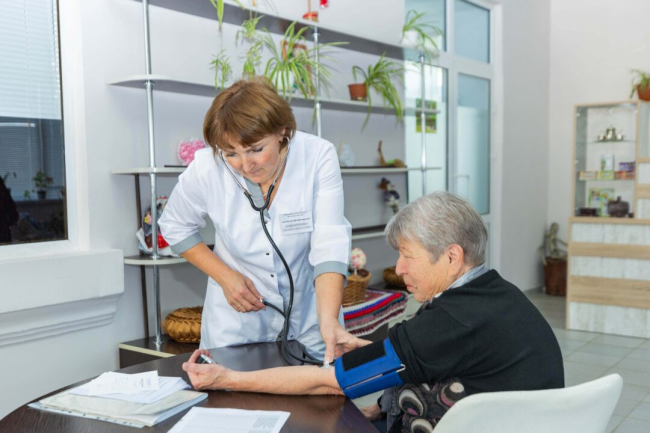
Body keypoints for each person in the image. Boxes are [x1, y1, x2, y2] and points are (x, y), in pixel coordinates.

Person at [181, 191, 564, 432]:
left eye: (408, 256)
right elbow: (441, 353)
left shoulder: (450, 320)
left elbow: (329, 382)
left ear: (451, 257)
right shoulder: (495, 292)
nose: (399, 268)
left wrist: (227, 377)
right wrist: (365, 349)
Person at [159, 76, 356, 363]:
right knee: (232, 388)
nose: (245, 165)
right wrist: (225, 276)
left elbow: (329, 242)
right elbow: (174, 225)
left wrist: (328, 321)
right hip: (236, 322)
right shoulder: (206, 167)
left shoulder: (316, 156)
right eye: (231, 153)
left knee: (322, 384)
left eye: (255, 149)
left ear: (281, 131)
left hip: (311, 312)